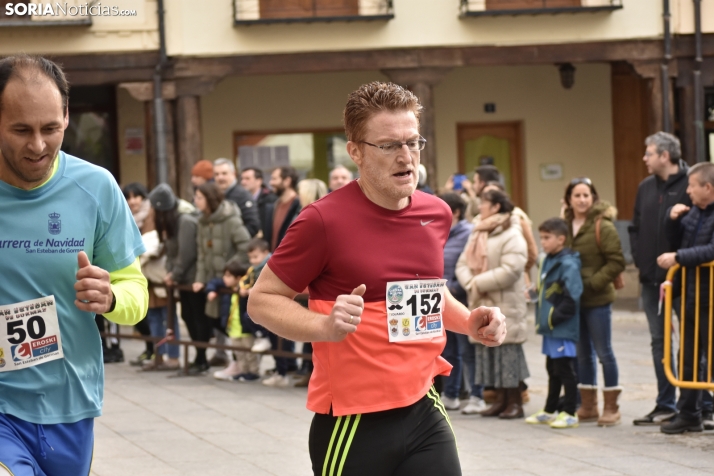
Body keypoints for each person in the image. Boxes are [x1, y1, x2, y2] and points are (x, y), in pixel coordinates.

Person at [248, 81, 507, 476]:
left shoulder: (435, 213)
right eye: (388, 145)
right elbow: (261, 300)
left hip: (424, 407)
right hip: (354, 422)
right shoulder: (321, 221)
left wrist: (470, 321)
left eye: (413, 142)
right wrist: (324, 325)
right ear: (355, 152)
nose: (406, 156)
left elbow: (426, 294)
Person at [0, 55, 148, 475]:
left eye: (50, 128)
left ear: (66, 116)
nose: (38, 146)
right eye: (21, 130)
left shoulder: (96, 187)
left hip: (71, 404)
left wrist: (111, 295)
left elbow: (136, 293)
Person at [629, 132, 691, 426]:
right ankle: (665, 403)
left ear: (665, 156)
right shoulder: (645, 187)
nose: (645, 158)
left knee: (691, 341)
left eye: (649, 153)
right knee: (659, 342)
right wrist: (640, 261)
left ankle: (693, 404)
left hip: (684, 279)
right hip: (651, 279)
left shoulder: (692, 183)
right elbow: (636, 227)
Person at [456, 189, 529, 419]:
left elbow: (512, 269)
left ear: (497, 207)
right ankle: (500, 400)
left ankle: (515, 402)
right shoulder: (478, 230)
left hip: (506, 303)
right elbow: (462, 263)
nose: (480, 208)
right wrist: (472, 283)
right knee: (491, 355)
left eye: (484, 203)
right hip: (483, 299)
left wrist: (477, 282)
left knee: (508, 354)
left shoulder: (512, 232)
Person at [564, 178, 626, 426]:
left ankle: (612, 407)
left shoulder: (603, 225)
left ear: (593, 198)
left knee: (604, 352)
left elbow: (617, 261)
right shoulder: (565, 225)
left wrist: (591, 283)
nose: (582, 200)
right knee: (583, 355)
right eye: (577, 195)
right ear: (569, 199)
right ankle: (588, 405)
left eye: (586, 195)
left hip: (597, 299)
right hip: (574, 301)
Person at [658, 162, 714, 434]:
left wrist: (678, 258)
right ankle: (689, 413)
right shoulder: (693, 213)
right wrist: (672, 218)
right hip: (691, 296)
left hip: (711, 300)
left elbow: (711, 251)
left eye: (692, 186)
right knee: (688, 357)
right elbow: (672, 241)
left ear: (708, 188)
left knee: (711, 358)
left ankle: (705, 409)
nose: (688, 191)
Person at [525, 218, 583, 429]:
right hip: (550, 328)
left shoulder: (568, 263)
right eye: (541, 237)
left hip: (561, 326)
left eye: (547, 238)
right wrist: (533, 293)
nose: (543, 242)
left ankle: (570, 412)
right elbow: (546, 290)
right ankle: (550, 410)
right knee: (552, 368)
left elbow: (572, 296)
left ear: (561, 239)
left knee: (565, 369)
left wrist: (553, 317)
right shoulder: (547, 260)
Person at [151, 183, 211, 375]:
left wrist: (174, 273)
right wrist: (171, 272)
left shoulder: (184, 220)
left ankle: (201, 359)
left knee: (197, 318)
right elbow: (170, 249)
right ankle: (199, 358)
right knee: (187, 315)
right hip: (183, 279)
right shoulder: (173, 221)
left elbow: (187, 253)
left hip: (193, 278)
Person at [192, 182, 251, 370]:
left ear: (210, 199)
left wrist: (229, 271)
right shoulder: (202, 221)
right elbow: (201, 253)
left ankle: (240, 363)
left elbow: (245, 246)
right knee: (214, 320)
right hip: (213, 282)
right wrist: (199, 279)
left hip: (229, 282)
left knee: (230, 321)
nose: (196, 201)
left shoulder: (231, 220)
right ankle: (230, 361)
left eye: (199, 197)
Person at [438, 193, 480, 413]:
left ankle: (476, 395)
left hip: (460, 296)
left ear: (455, 211)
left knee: (467, 350)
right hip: (440, 296)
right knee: (449, 349)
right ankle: (451, 394)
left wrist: (454, 285)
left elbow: (468, 264)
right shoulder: (440, 230)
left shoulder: (468, 233)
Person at [261, 165, 302, 386]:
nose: (271, 181)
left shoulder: (297, 205)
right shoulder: (274, 205)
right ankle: (281, 366)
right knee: (272, 319)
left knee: (283, 317)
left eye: (275, 178)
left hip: (289, 270)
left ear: (287, 180)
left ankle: (285, 367)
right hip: (274, 265)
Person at [294, 178, 329, 387]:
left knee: (313, 327)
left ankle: (312, 371)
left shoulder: (313, 216)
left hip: (314, 282)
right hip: (310, 281)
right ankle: (308, 369)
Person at [118, 182, 154, 366]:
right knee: (139, 315)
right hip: (133, 269)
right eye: (128, 197)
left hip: (150, 271)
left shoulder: (151, 214)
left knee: (152, 314)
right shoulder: (123, 215)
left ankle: (154, 350)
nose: (132, 201)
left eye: (136, 196)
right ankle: (149, 349)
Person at [209, 260, 261, 382]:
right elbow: (214, 282)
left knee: (250, 353)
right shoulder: (228, 289)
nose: (224, 279)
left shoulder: (245, 289)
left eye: (228, 276)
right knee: (239, 353)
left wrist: (245, 291)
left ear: (238, 278)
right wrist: (210, 290)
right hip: (233, 328)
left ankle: (253, 372)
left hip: (245, 328)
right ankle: (243, 371)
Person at [213, 158, 261, 237]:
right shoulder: (213, 195)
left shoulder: (243, 195)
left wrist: (234, 239)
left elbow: (253, 225)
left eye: (224, 173)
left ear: (233, 174)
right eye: (216, 174)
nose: (220, 177)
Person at [240, 166, 276, 234]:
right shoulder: (240, 199)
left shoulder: (270, 199)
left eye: (247, 179)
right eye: (242, 179)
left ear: (259, 181)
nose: (243, 182)